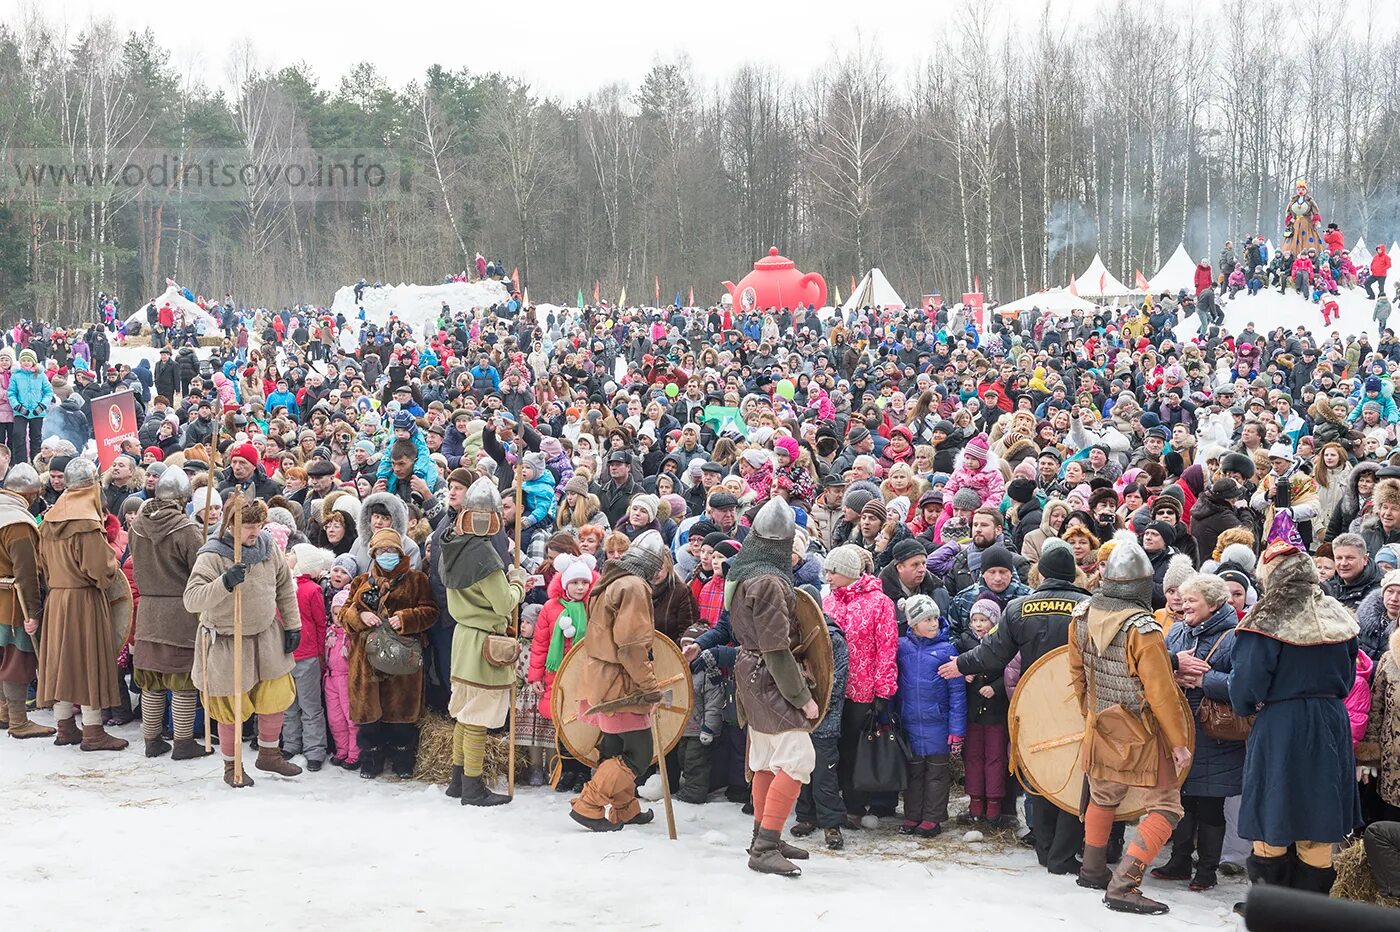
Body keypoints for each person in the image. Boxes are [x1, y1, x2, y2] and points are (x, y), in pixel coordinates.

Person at [939, 538, 1090, 875]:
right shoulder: (1090, 607)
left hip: (1033, 702)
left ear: (1041, 573)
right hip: (1076, 704)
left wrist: (961, 665)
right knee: (1071, 777)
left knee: (1040, 773)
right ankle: (1063, 855)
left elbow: (991, 654)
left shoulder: (1020, 608)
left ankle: (1044, 845)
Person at [1230, 516, 1361, 900]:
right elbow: (1350, 672)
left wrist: (1247, 706)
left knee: (1275, 808)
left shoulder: (1266, 618)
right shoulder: (1337, 613)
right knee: (1317, 815)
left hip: (1282, 723)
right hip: (1330, 721)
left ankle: (1273, 904)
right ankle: (1309, 909)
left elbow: (1247, 681)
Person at [1070, 533, 1193, 915]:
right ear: (1142, 586)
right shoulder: (1144, 628)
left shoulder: (1082, 615)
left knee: (1104, 795)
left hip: (1101, 722)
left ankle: (1092, 869)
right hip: (1144, 729)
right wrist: (1178, 742)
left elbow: (1078, 676)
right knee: (1167, 806)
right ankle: (1123, 885)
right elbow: (1162, 693)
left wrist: (1091, 714)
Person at [725, 498, 820, 874]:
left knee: (766, 758)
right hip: (768, 675)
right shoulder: (768, 582)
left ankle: (765, 834)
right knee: (797, 757)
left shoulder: (745, 573)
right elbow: (776, 648)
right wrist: (803, 697)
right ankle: (765, 848)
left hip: (751, 673)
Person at [183, 495, 303, 788]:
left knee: (275, 695)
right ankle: (231, 766)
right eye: (247, 525)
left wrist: (293, 624)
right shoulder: (212, 554)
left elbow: (284, 585)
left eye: (258, 524)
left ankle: (269, 754)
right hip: (227, 639)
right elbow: (192, 600)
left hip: (266, 634)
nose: (254, 531)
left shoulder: (267, 546)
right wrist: (223, 583)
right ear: (230, 524)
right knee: (231, 706)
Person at [1152, 573, 1245, 894]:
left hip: (1214, 735)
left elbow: (1244, 686)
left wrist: (1206, 681)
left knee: (1209, 804)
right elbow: (1157, 670)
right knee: (1181, 799)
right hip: (1178, 728)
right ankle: (1179, 860)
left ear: (1214, 604)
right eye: (1182, 598)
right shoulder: (1177, 631)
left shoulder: (1236, 636)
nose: (1183, 604)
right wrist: (1174, 674)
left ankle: (1207, 869)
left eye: (1192, 600)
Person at [569, 529, 665, 832]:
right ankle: (589, 805)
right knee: (637, 752)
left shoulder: (609, 580)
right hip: (621, 682)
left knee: (614, 746)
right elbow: (631, 646)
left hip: (600, 675)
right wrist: (649, 686)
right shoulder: (634, 586)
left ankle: (625, 809)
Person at [36, 457, 129, 752]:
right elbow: (100, 570)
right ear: (90, 487)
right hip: (83, 599)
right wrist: (112, 563)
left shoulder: (50, 519)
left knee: (63, 662)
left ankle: (65, 726)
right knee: (89, 661)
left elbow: (42, 564)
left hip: (57, 598)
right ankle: (92, 731)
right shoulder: (86, 523)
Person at [128, 467, 213, 760]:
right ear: (181, 499)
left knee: (152, 680)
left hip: (149, 612)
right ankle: (183, 742)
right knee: (182, 682)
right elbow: (200, 572)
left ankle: (152, 740)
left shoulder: (136, 526)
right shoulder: (186, 529)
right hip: (180, 613)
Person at [340, 528, 438, 781]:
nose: (386, 555)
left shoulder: (417, 580)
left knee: (401, 715)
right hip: (366, 660)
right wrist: (360, 615)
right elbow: (344, 614)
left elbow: (430, 611)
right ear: (373, 553)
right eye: (381, 551)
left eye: (391, 550)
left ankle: (403, 761)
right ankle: (371, 761)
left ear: (400, 552)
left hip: (402, 658)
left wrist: (405, 618)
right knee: (369, 716)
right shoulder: (361, 581)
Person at [823, 543, 898, 825]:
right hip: (832, 687)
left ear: (847, 572)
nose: (828, 577)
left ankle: (856, 806)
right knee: (833, 746)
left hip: (863, 688)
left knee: (856, 749)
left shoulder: (880, 603)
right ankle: (831, 803)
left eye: (833, 571)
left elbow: (886, 649)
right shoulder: (829, 601)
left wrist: (883, 692)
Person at [895, 593, 964, 838]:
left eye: (936, 618)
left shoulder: (947, 650)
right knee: (913, 773)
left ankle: (932, 818)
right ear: (913, 624)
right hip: (910, 724)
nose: (934, 623)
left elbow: (957, 694)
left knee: (937, 774)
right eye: (927, 619)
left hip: (938, 725)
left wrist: (956, 730)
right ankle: (912, 814)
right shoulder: (901, 647)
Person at [0, 465, 50, 738]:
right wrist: (34, 612)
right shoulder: (17, 524)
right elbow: (27, 574)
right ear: (30, 495)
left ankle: (4, 711)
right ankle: (18, 721)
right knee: (16, 660)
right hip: (12, 603)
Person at [284, 543, 332, 770]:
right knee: (288, 704)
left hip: (307, 655)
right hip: (285, 655)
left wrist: (321, 653)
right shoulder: (282, 586)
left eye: (293, 554)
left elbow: (320, 623)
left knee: (310, 705)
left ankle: (315, 749)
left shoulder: (311, 590)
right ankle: (291, 743)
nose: (288, 556)